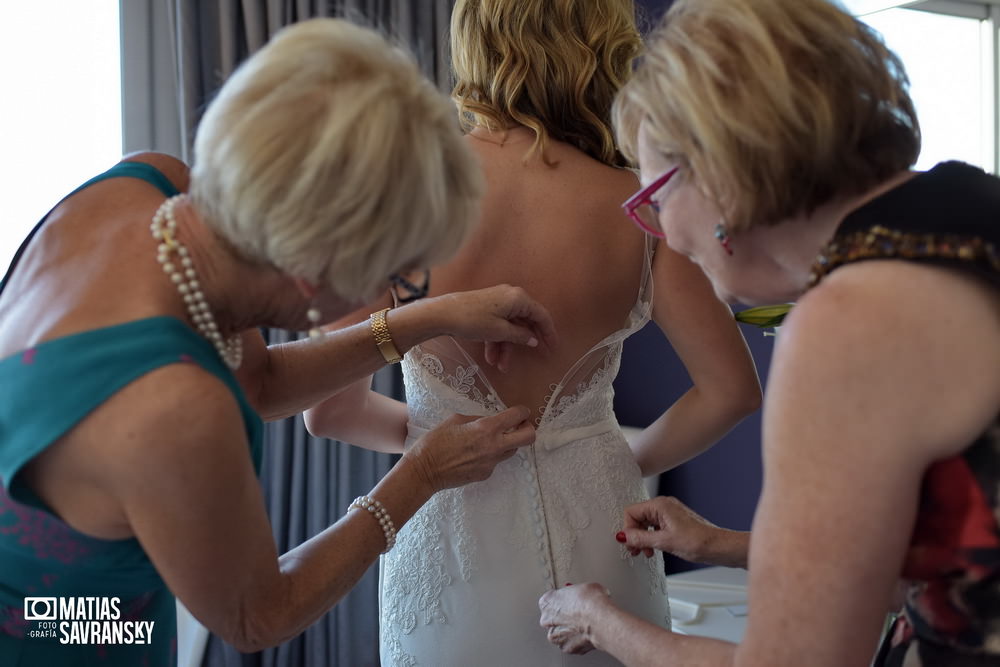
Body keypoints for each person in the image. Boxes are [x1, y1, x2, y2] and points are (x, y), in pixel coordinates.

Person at [0, 18, 560, 667]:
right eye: (394, 275)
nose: (397, 288)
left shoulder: (150, 187)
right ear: (312, 270)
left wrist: (433, 316)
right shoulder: (170, 406)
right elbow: (256, 614)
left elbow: (259, 380)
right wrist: (422, 473)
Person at [537, 0, 1000, 665]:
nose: (662, 232)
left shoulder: (852, 318)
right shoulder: (970, 218)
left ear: (717, 168)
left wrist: (600, 619)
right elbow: (938, 552)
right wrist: (720, 543)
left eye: (655, 198)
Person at [303, 1, 761, 664]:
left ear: (474, 44)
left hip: (448, 534)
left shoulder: (401, 192)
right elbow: (732, 391)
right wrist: (613, 458)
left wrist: (437, 438)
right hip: (601, 533)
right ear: (597, 47)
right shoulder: (635, 205)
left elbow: (327, 409)